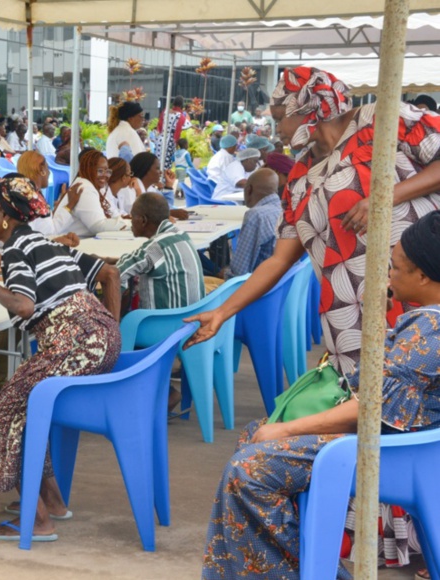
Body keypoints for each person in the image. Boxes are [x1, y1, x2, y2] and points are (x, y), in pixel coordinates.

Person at [202, 212, 440, 580]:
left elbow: (369, 410)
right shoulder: (425, 319)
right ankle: (297, 568)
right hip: (391, 442)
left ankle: (298, 572)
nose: (388, 274)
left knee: (250, 469)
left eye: (394, 267)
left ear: (423, 276)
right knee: (254, 438)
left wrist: (285, 430)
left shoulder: (431, 329)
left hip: (392, 452)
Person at [188, 65, 440, 377]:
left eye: (280, 118)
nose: (275, 127)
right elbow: (278, 260)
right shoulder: (299, 177)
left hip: (418, 302)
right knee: (369, 407)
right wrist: (223, 312)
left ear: (312, 108)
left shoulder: (382, 119)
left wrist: (387, 196)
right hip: (349, 323)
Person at [0, 176, 122, 542]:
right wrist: (110, 331)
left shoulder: (17, 251)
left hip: (72, 343)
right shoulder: (45, 243)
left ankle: (38, 520)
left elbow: (23, 305)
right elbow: (110, 274)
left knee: (2, 412)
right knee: (24, 407)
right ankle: (52, 501)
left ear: (6, 217)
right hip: (101, 336)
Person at [110, 191, 204, 312]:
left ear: (143, 220)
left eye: (132, 216)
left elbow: (114, 275)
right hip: (189, 323)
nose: (130, 222)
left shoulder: (154, 248)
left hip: (161, 326)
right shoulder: (182, 235)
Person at [54, 149, 129, 238]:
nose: (105, 175)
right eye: (100, 171)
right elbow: (98, 225)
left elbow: (113, 214)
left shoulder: (96, 187)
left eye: (107, 171)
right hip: (69, 245)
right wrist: (130, 224)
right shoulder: (84, 188)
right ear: (89, 170)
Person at [226, 168, 281, 278]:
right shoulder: (286, 208)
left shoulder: (256, 216)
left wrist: (225, 273)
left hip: (257, 288)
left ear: (249, 190)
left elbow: (239, 272)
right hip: (280, 285)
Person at [15, 151, 81, 240]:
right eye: (47, 168)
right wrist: (70, 204)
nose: (49, 172)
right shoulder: (34, 198)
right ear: (41, 169)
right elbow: (50, 231)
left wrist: (60, 204)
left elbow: (42, 224)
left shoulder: (21, 190)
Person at [156, 96, 190, 171]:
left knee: (158, 161)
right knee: (166, 163)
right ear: (181, 105)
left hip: (161, 138)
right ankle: (164, 180)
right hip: (170, 141)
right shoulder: (180, 116)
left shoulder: (165, 111)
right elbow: (183, 128)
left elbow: (160, 125)